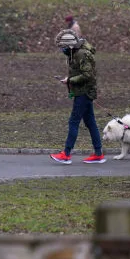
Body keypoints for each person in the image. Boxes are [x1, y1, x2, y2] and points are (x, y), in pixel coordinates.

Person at [50, 16, 105, 165]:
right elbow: (80, 73)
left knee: (73, 122)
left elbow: (88, 75)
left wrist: (70, 80)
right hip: (82, 92)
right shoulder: (74, 53)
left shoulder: (81, 54)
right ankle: (98, 154)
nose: (61, 50)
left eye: (63, 47)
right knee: (90, 123)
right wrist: (69, 79)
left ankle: (66, 154)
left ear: (70, 46)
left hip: (84, 93)